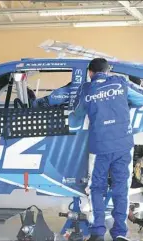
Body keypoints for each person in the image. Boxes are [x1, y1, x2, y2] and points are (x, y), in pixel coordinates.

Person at [70, 58, 143, 241]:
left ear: (90, 73)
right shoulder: (121, 83)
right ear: (108, 71)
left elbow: (76, 116)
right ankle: (119, 233)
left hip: (100, 147)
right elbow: (141, 99)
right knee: (121, 188)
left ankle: (98, 232)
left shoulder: (86, 89)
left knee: (96, 187)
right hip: (123, 146)